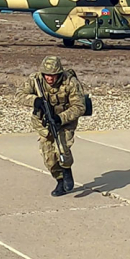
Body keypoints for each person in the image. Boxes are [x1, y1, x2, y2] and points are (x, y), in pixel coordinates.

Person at [15, 56, 86, 197]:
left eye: (53, 75)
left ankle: (67, 171)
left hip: (64, 121)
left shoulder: (70, 82)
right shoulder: (36, 80)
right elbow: (19, 95)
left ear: (59, 73)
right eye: (47, 75)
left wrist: (60, 118)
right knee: (49, 157)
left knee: (62, 147)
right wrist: (35, 101)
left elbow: (79, 106)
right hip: (43, 123)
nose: (50, 78)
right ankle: (59, 180)